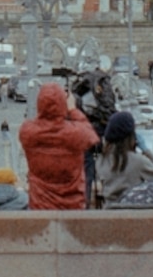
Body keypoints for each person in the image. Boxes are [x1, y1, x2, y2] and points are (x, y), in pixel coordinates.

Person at [18, 81, 98, 212]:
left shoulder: (28, 132)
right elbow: (91, 135)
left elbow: (37, 122)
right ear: (63, 104)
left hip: (40, 206)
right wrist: (72, 109)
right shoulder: (75, 134)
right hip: (73, 207)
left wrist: (44, 112)